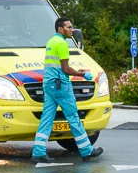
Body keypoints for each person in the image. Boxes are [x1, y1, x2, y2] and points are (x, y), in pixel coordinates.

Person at [32, 17, 103, 163]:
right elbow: (65, 69)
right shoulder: (62, 44)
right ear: (60, 29)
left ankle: (38, 151)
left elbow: (58, 66)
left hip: (49, 84)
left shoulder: (51, 42)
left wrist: (76, 70)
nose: (72, 30)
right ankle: (86, 150)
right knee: (73, 117)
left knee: (47, 118)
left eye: (71, 27)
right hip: (60, 85)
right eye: (69, 27)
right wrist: (83, 74)